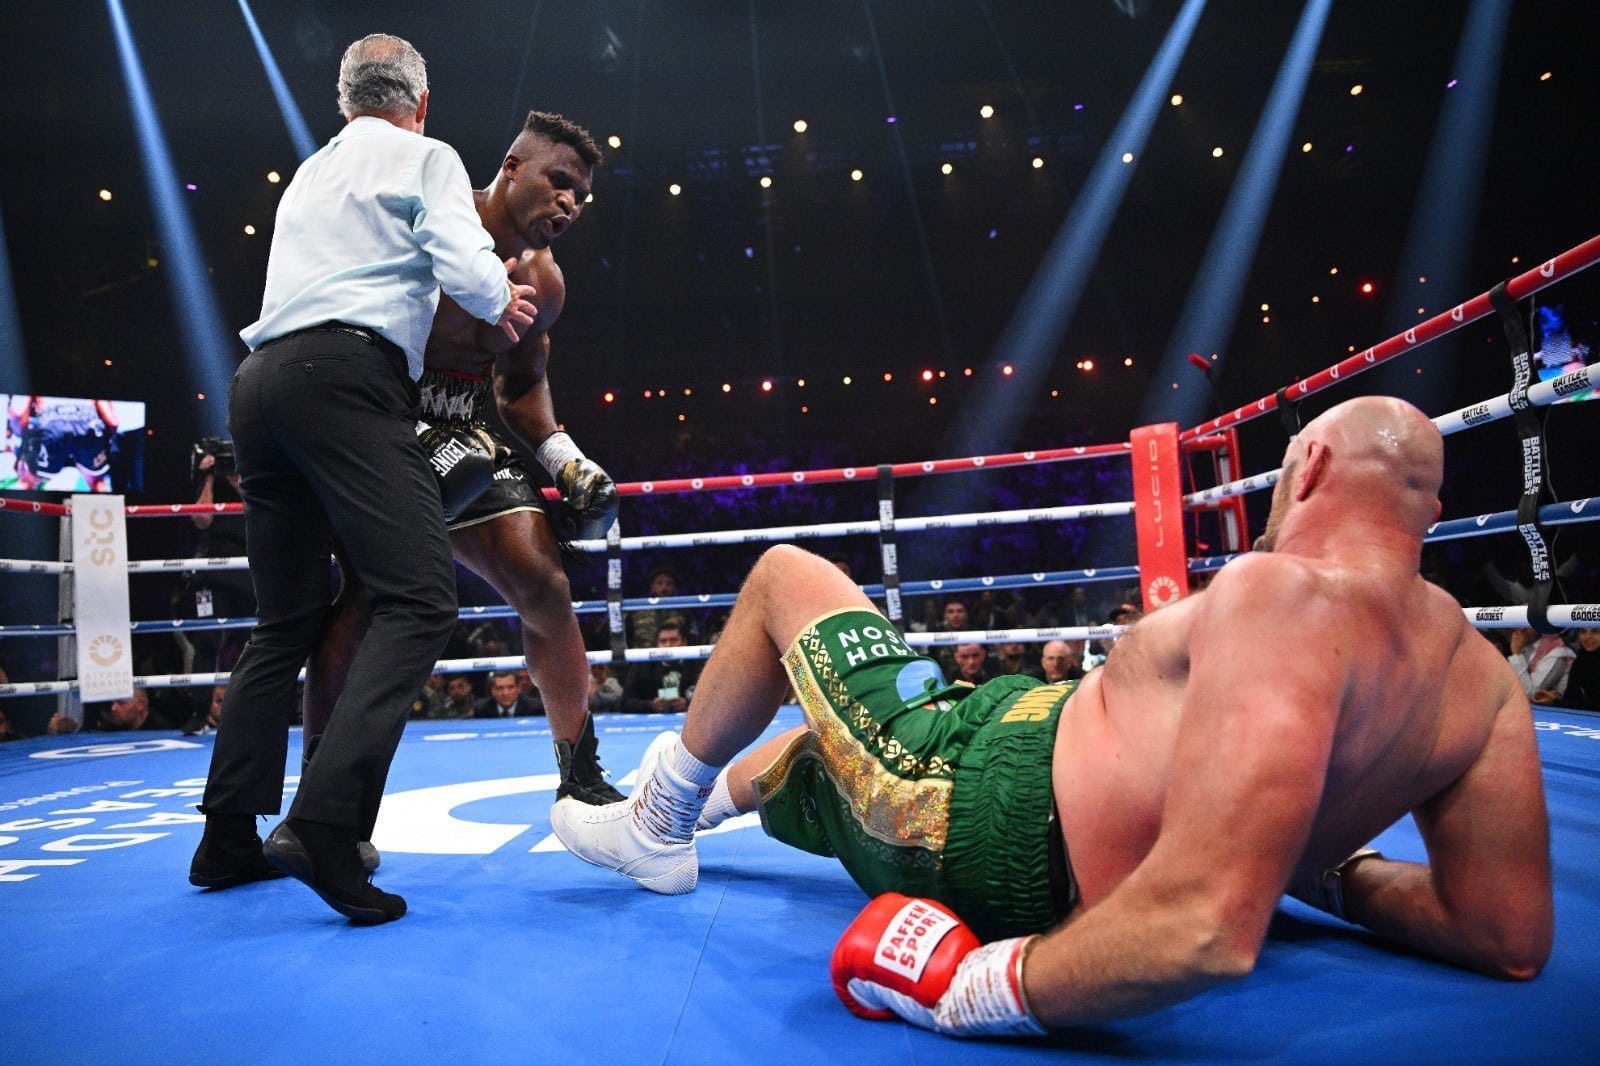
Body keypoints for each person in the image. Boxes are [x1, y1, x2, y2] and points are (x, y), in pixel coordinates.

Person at [552, 396, 1552, 1038]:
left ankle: (657, 820)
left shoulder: (1280, 592)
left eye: (1286, 466)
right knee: (826, 740)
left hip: (982, 803)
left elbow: (1205, 928)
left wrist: (981, 988)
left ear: (1314, 465)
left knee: (785, 582)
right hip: (1013, 757)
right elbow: (1503, 932)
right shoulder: (1482, 681)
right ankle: (684, 807)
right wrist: (1317, 863)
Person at [189, 33, 539, 925]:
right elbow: (463, 257)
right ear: (420, 104)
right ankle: (324, 826)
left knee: (286, 620)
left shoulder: (310, 175)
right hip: (346, 376)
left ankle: (227, 837)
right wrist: (505, 304)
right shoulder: (427, 156)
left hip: (257, 386)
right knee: (420, 596)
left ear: (346, 106)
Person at [301, 109, 624, 824]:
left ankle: (582, 773)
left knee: (544, 580)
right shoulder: (430, 230)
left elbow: (519, 385)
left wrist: (565, 460)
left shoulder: (546, 279)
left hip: (469, 426)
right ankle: (320, 793)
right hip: (387, 418)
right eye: (559, 181)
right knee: (364, 599)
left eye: (582, 194)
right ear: (512, 166)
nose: (569, 203)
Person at [619, 622, 698, 713]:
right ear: (657, 645)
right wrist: (650, 705)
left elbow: (712, 700)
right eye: (663, 641)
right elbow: (624, 703)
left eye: (673, 640)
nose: (668, 645)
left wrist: (688, 704)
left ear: (684, 643)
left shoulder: (698, 665)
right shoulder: (642, 666)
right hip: (651, 723)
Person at [1507, 627, 1575, 705]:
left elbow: (1533, 694)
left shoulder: (1558, 653)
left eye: (1527, 625)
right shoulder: (1530, 645)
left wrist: (1516, 654)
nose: (1521, 630)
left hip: (1555, 712)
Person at [475, 670, 542, 718]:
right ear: (492, 690)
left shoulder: (535, 708)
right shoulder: (481, 708)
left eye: (510, 687)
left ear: (518, 688)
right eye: (499, 688)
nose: (505, 693)